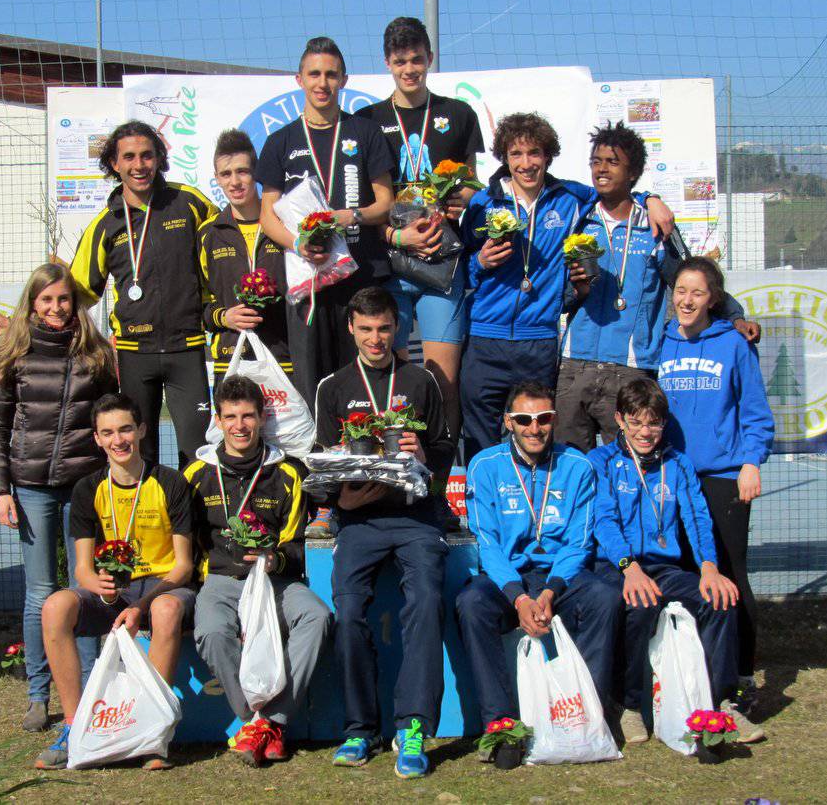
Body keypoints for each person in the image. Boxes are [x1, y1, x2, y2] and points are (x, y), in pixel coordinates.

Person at [458, 113, 677, 462]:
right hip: (485, 340)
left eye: (534, 154)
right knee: (480, 443)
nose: (526, 164)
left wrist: (651, 198)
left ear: (548, 156)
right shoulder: (483, 204)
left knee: (538, 444)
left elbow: (615, 191)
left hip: (539, 344)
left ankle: (538, 513)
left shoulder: (571, 199)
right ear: (504, 158)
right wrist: (479, 263)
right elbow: (460, 273)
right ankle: (485, 514)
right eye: (516, 154)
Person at [257, 36, 395, 538]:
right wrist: (299, 242)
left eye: (331, 74)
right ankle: (321, 502)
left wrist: (347, 215)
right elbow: (268, 212)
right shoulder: (280, 142)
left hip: (360, 279)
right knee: (315, 387)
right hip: (309, 283)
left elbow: (385, 201)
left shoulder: (364, 131)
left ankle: (368, 492)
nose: (322, 83)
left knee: (359, 385)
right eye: (313, 75)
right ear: (299, 81)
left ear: (343, 79)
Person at [314, 287, 453, 778]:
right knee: (348, 611)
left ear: (399, 328)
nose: (376, 338)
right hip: (359, 521)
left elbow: (443, 451)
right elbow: (324, 466)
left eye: (385, 328)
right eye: (367, 329)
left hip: (415, 518)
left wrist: (421, 457)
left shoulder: (420, 379)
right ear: (351, 328)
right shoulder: (332, 387)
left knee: (427, 602)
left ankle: (412, 726)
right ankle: (359, 728)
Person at [557, 121, 759, 452]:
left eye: (612, 162)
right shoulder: (578, 217)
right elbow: (561, 296)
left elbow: (692, 278)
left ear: (633, 171)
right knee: (570, 471)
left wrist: (734, 316)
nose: (601, 169)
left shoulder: (655, 225)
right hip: (573, 366)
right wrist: (575, 290)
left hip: (631, 369)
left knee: (630, 471)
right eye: (596, 161)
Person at [588, 378, 763, 743]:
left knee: (721, 599)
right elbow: (603, 520)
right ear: (620, 420)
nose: (645, 432)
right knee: (640, 603)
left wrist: (709, 568)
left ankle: (721, 704)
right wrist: (629, 568)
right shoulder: (601, 461)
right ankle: (630, 704)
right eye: (635, 422)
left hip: (664, 568)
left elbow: (697, 517)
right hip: (617, 567)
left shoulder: (678, 464)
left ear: (663, 423)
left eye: (652, 422)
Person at [455, 381, 620, 762]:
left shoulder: (577, 465)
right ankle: (500, 724)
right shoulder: (485, 465)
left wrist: (548, 593)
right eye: (525, 419)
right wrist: (520, 597)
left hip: (559, 575)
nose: (535, 427)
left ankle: (588, 715)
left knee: (604, 597)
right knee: (470, 603)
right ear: (508, 422)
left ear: (554, 420)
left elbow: (579, 544)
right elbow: (488, 543)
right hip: (508, 576)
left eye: (544, 418)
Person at [0, 262, 118, 732]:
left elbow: (109, 421)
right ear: (32, 304)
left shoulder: (96, 354)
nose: (56, 308)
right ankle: (39, 695)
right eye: (46, 300)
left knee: (85, 589)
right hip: (31, 485)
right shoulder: (12, 353)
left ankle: (88, 691)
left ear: (75, 303)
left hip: (84, 486)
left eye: (64, 299)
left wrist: (110, 484)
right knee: (40, 592)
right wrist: (0, 488)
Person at [34, 393, 196, 771]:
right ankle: (76, 728)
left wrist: (141, 605)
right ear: (97, 439)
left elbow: (183, 566)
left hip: (162, 586)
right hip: (115, 591)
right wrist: (98, 584)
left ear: (141, 430)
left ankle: (151, 734)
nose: (118, 440)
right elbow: (82, 569)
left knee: (166, 609)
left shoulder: (169, 483)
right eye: (108, 432)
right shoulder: (89, 488)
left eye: (125, 429)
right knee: (56, 606)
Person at [185, 375, 331, 767]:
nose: (239, 426)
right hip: (220, 580)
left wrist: (275, 560)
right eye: (230, 416)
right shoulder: (195, 474)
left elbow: (298, 545)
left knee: (316, 617)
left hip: (276, 580)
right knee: (212, 633)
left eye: (248, 415)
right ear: (218, 420)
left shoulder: (287, 473)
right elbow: (187, 540)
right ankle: (257, 721)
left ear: (262, 417)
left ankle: (274, 721)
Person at [356, 16, 485, 447]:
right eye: (399, 61)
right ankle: (388, 468)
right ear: (386, 63)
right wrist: (396, 236)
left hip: (441, 264)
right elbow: (362, 204)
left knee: (441, 379)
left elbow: (471, 182)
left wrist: (461, 197)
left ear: (430, 58)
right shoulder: (367, 120)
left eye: (416, 59)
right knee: (390, 382)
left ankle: (442, 477)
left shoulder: (458, 114)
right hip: (389, 262)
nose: (409, 69)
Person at [659, 258, 774, 720]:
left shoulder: (733, 342)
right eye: (681, 290)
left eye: (698, 293)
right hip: (671, 477)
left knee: (728, 572)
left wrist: (750, 462)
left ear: (715, 300)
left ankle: (742, 677)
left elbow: (755, 409)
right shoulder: (659, 341)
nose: (687, 300)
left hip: (724, 476)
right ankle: (691, 672)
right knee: (685, 573)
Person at [71, 120, 219, 468]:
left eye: (147, 155)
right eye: (130, 157)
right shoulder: (106, 224)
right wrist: (25, 325)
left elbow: (224, 248)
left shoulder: (190, 202)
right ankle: (148, 522)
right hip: (134, 353)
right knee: (140, 452)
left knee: (198, 452)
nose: (140, 165)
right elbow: (77, 292)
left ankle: (193, 524)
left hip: (188, 347)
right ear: (115, 164)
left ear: (159, 158)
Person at [198, 129, 294, 393]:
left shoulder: (284, 224)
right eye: (226, 174)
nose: (235, 182)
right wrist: (224, 317)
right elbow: (197, 303)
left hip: (282, 354)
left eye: (242, 171)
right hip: (231, 357)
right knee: (235, 433)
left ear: (257, 174)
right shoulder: (208, 233)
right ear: (216, 178)